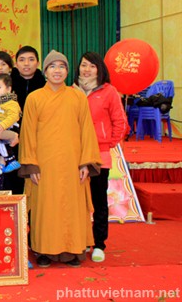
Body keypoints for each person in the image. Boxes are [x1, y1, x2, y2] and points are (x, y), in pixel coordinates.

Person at [19, 50, 101, 268]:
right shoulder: (34, 98)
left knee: (72, 207)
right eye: (52, 66)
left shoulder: (77, 97)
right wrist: (31, 165)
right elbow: (27, 133)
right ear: (45, 71)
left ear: (67, 71)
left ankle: (73, 250)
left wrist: (85, 162)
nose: (57, 71)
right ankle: (43, 251)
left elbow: (87, 130)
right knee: (45, 208)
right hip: (44, 165)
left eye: (62, 66)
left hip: (73, 163)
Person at [74, 52, 127, 263]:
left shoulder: (109, 91)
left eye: (92, 66)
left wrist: (107, 143)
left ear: (99, 70)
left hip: (99, 155)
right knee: (77, 201)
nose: (86, 70)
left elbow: (120, 121)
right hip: (74, 155)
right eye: (83, 65)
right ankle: (79, 240)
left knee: (98, 201)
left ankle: (98, 244)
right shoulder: (72, 91)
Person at [8, 46, 45, 195]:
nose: (26, 64)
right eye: (22, 60)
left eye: (31, 59)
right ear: (16, 64)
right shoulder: (7, 85)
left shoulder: (45, 85)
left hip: (38, 140)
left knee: (37, 182)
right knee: (13, 183)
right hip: (12, 141)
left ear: (38, 63)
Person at [0, 74, 21, 178]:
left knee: (0, 142)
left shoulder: (11, 102)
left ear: (8, 89)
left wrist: (3, 124)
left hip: (11, 126)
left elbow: (14, 116)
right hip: (1, 125)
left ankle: (11, 160)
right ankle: (1, 165)